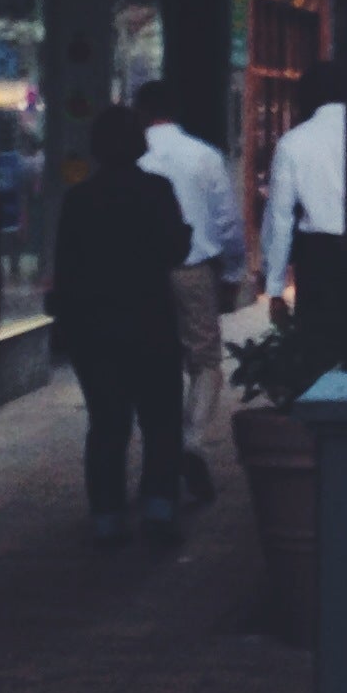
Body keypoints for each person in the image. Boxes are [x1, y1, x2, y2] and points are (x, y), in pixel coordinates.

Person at [49, 106, 192, 549]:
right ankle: (158, 511)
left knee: (107, 422)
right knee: (161, 420)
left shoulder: (79, 199)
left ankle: (107, 518)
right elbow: (174, 250)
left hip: (95, 326)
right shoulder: (156, 190)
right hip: (149, 320)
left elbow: (66, 267)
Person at [132, 79, 246, 486]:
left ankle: (157, 445)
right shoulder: (203, 156)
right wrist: (233, 272)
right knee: (204, 359)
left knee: (151, 358)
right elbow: (228, 221)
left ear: (140, 112)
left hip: (141, 274)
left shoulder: (135, 157)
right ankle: (191, 439)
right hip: (194, 269)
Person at [263, 60, 347, 324]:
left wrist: (275, 288)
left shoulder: (294, 142)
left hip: (319, 258)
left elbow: (280, 218)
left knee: (318, 345)